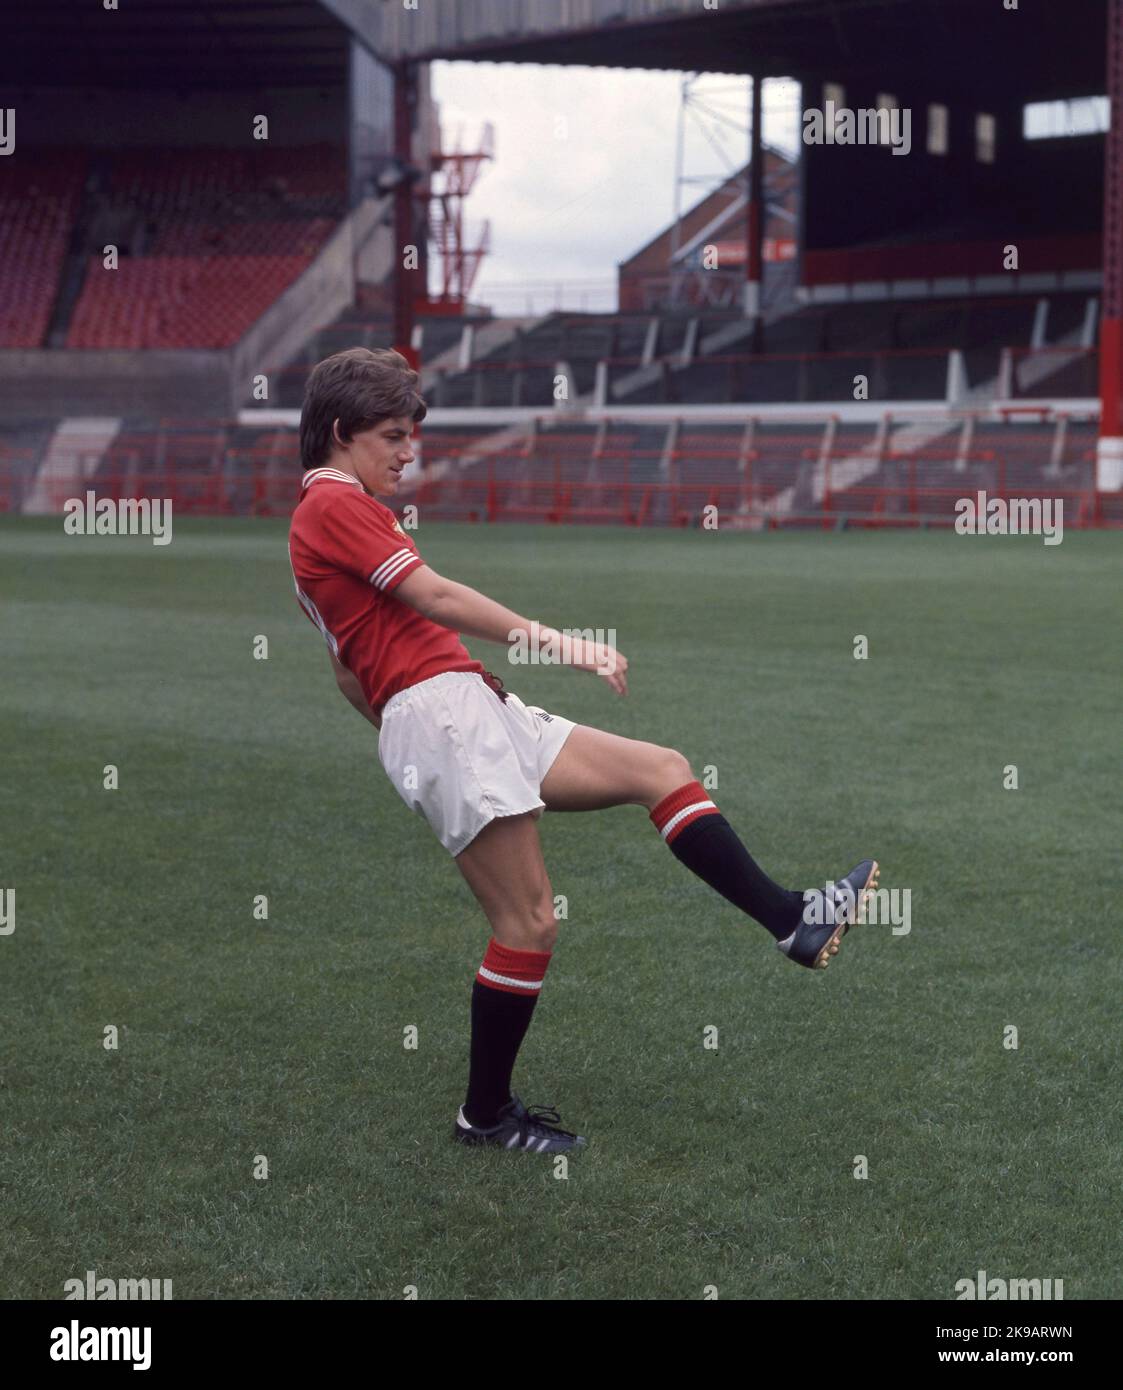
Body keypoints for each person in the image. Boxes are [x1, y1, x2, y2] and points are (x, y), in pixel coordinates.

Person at [288, 347, 878, 1155]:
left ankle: (792, 922)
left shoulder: (327, 519)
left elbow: (348, 677)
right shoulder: (333, 502)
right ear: (337, 432)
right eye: (391, 435)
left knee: (660, 769)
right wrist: (557, 646)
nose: (406, 452)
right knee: (527, 923)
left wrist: (408, 739)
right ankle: (484, 1116)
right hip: (447, 714)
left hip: (464, 708)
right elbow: (431, 593)